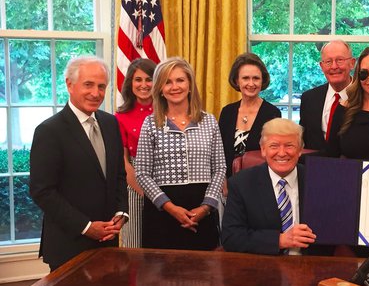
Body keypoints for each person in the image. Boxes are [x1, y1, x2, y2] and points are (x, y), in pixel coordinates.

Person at [29, 56, 128, 271]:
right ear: (69, 84)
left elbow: (119, 175)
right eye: (88, 84)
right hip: (68, 245)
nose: (96, 93)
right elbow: (42, 191)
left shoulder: (110, 123)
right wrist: (86, 227)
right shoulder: (49, 131)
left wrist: (121, 213)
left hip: (107, 243)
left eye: (101, 86)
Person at [136, 57, 226, 251]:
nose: (174, 87)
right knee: (160, 277)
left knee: (204, 276)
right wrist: (170, 207)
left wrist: (206, 207)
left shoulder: (209, 121)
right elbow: (142, 173)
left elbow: (219, 168)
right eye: (167, 82)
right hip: (162, 212)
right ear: (160, 88)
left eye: (180, 80)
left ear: (190, 84)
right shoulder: (150, 123)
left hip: (203, 209)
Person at [221, 118, 321, 255]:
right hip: (264, 266)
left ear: (300, 150)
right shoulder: (241, 183)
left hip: (312, 265)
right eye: (274, 146)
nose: (281, 153)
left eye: (289, 146)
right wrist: (279, 240)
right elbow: (231, 237)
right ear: (263, 150)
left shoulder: (318, 180)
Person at [115, 58, 156, 248]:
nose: (144, 85)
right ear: (130, 83)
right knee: (134, 245)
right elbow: (124, 162)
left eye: (149, 79)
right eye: (138, 80)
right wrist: (145, 192)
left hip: (165, 180)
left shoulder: (167, 111)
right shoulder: (120, 116)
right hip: (134, 184)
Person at [219, 53, 281, 177]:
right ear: (237, 80)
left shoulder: (272, 113)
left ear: (262, 80)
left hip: (259, 181)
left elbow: (274, 154)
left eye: (256, 78)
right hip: (228, 184)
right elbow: (218, 153)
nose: (251, 84)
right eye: (246, 78)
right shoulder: (227, 112)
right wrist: (222, 181)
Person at [299, 40, 356, 150]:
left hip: (353, 165)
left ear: (352, 63)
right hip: (315, 165)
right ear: (321, 66)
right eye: (328, 61)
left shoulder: (364, 97)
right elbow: (304, 140)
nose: (334, 66)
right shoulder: (309, 99)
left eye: (340, 60)